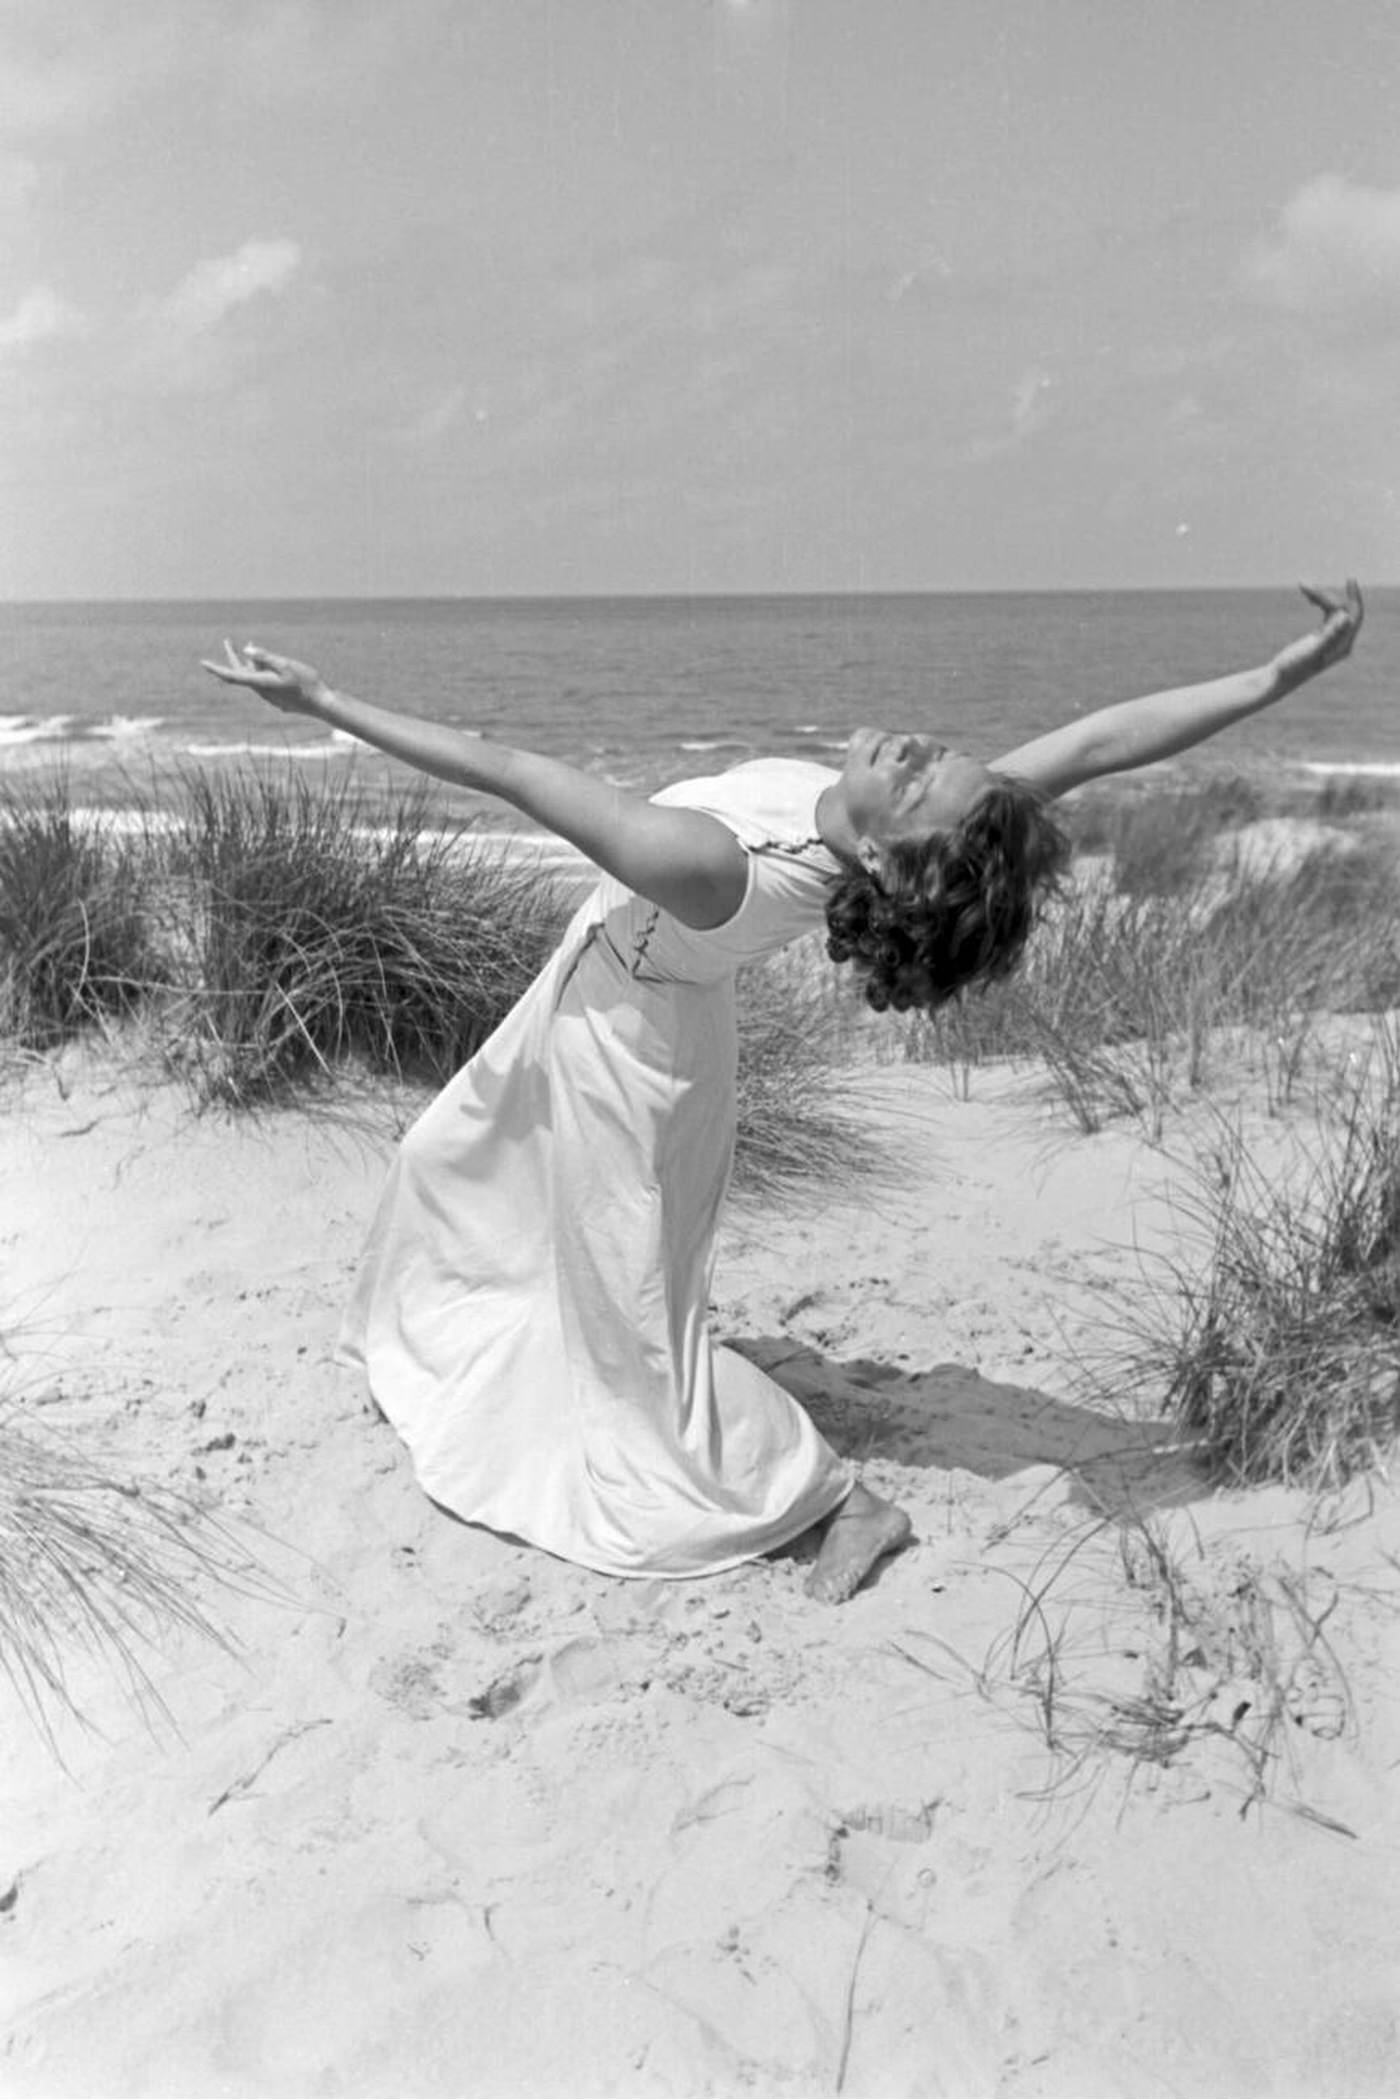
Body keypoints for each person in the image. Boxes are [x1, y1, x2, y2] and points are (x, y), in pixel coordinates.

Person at [203, 581, 1363, 1603]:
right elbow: (1105, 741)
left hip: (631, 1046)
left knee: (636, 1340)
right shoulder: (888, 832)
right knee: (447, 1163)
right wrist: (1275, 675)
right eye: (926, 752)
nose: (912, 747)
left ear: (900, 860)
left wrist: (324, 703)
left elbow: (508, 770)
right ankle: (479, 1349)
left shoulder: (714, 865)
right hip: (602, 991)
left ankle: (828, 1502)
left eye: (919, 773)